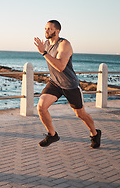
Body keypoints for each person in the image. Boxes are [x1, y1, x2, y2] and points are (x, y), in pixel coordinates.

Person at [34, 20, 101, 148]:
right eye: (45, 28)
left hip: (70, 85)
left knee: (81, 114)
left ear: (57, 31)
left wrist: (43, 53)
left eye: (49, 29)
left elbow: (60, 66)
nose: (46, 31)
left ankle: (95, 133)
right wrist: (44, 50)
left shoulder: (64, 44)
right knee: (41, 107)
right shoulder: (46, 44)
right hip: (55, 83)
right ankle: (52, 135)